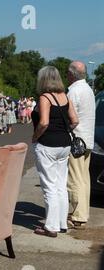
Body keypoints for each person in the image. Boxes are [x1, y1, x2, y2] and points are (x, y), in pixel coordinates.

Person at [31, 66, 79, 237]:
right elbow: (75, 121)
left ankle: (51, 226)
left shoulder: (45, 98)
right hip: (64, 144)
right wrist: (62, 131)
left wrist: (35, 137)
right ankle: (61, 223)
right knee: (60, 185)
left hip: (47, 144)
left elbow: (43, 122)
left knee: (49, 186)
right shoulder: (65, 96)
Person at [67, 61, 97, 229]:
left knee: (75, 178)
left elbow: (69, 116)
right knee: (84, 178)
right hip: (87, 139)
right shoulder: (88, 90)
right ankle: (82, 213)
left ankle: (78, 216)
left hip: (77, 140)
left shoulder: (73, 91)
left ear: (71, 74)